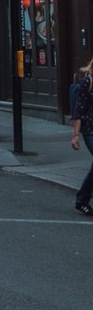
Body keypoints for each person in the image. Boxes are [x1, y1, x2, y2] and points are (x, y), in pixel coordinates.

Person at [71, 59, 93, 217]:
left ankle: (82, 199)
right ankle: (82, 199)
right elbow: (79, 110)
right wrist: (75, 135)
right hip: (89, 130)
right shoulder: (87, 82)